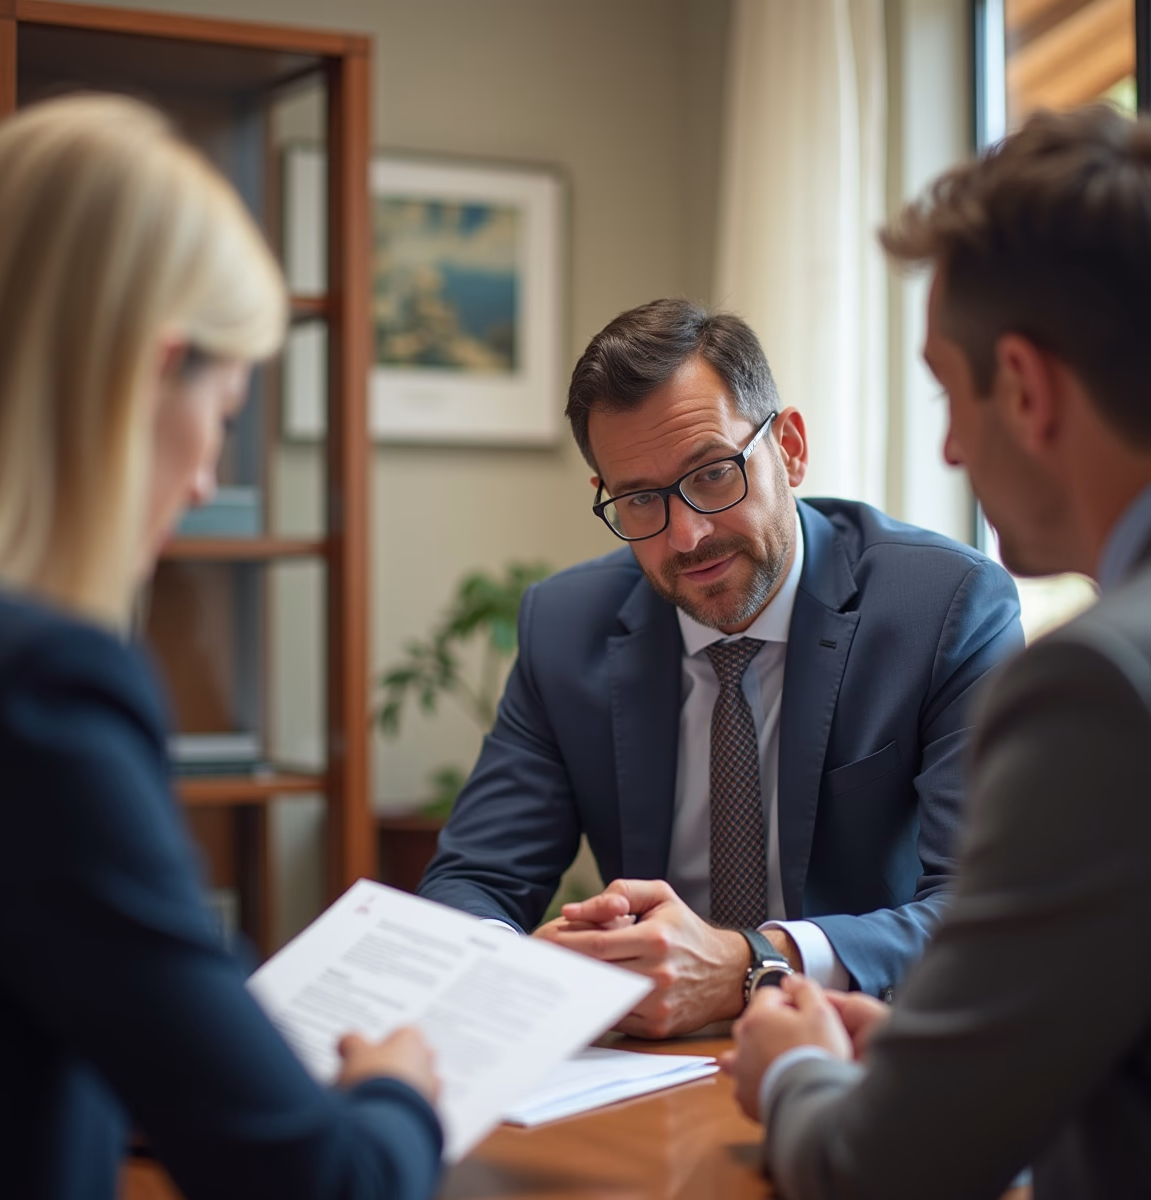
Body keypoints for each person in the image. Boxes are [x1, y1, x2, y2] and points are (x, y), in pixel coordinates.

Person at [0, 96, 442, 1200]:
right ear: (146, 374)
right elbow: (324, 1182)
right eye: (223, 415)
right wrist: (399, 1090)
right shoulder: (35, 690)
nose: (207, 480)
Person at [722, 103, 1151, 1200]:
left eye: (948, 394)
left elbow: (880, 1172)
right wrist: (941, 1065)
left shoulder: (1097, 687)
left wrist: (797, 1074)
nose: (952, 446)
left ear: (1025, 386)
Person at [418, 296, 1023, 1038]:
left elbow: (984, 905)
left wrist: (752, 963)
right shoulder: (564, 626)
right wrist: (518, 966)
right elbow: (474, 880)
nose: (687, 535)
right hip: (642, 1069)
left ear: (791, 448)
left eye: (712, 474)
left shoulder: (944, 607)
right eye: (641, 499)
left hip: (861, 1053)